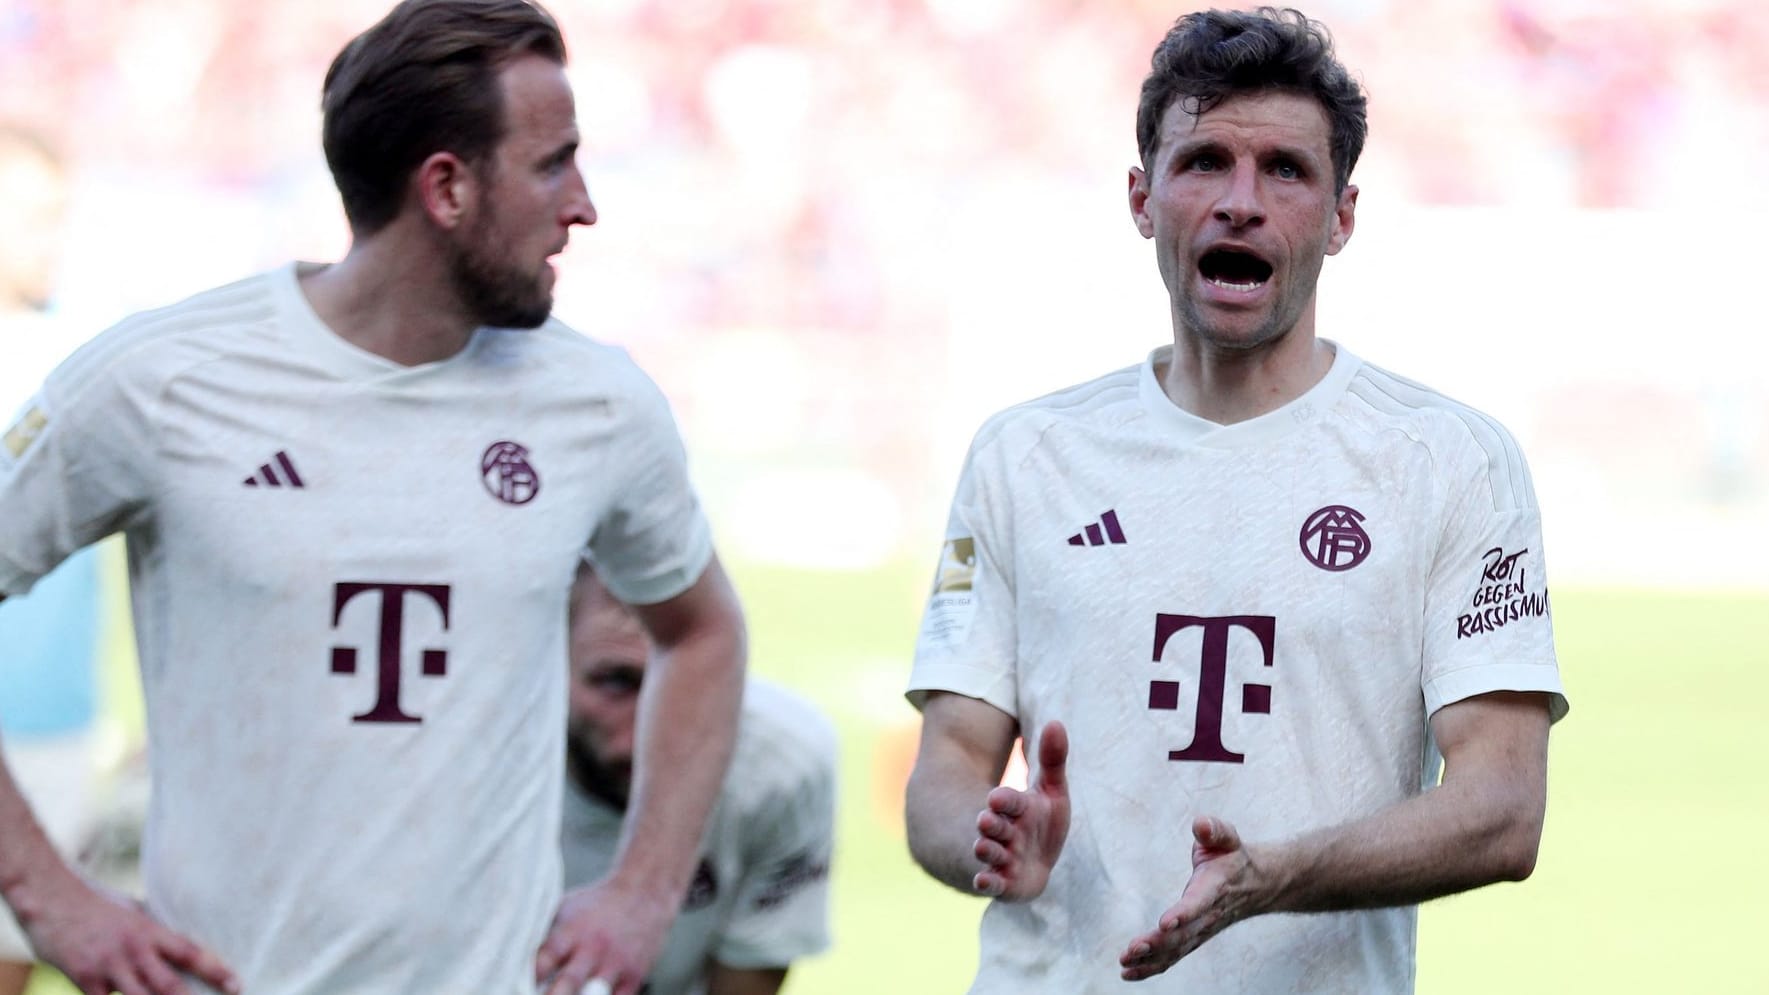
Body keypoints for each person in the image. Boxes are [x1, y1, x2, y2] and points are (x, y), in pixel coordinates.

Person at [0, 2, 747, 994]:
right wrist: (48, 894)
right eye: (552, 163)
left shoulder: (598, 404)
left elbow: (701, 632)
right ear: (445, 186)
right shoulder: (160, 379)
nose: (584, 204)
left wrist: (643, 891)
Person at [903, 7, 1567, 993]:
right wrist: (988, 840)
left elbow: (1501, 805)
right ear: (1142, 197)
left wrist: (1270, 876)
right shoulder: (1024, 455)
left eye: (1285, 171)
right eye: (1203, 160)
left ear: (1340, 215)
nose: (1239, 202)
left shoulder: (1445, 460)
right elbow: (945, 769)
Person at [562, 564, 834, 995]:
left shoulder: (779, 768)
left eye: (689, 684)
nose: (652, 730)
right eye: (617, 683)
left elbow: (745, 981)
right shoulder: (471, 763)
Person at [0, 123, 109, 995]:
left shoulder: (90, 359)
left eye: (56, 216)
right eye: (27, 215)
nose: (48, 238)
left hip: (54, 720)